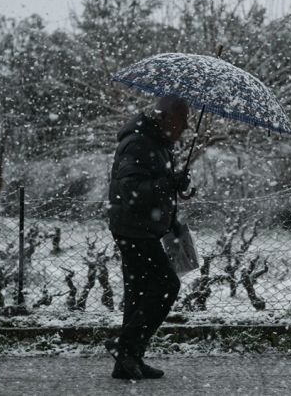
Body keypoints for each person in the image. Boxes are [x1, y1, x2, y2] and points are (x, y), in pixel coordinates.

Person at [105, 95, 191, 380]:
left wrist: (176, 185)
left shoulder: (155, 141)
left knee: (139, 294)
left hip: (140, 228)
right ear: (166, 117)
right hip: (133, 229)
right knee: (166, 285)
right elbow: (130, 190)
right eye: (182, 121)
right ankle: (125, 346)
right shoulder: (140, 142)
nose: (186, 127)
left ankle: (128, 362)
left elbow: (149, 184)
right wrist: (168, 183)